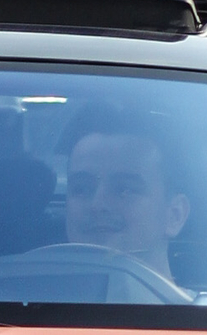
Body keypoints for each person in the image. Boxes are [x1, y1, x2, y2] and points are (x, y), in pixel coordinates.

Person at [61, 112, 191, 290]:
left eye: (125, 189)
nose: (97, 205)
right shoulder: (20, 307)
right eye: (81, 189)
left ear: (175, 215)